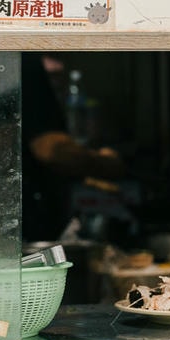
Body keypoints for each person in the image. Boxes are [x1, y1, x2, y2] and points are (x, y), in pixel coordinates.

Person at [20, 53, 126, 243]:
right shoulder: (26, 73)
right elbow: (50, 151)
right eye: (52, 74)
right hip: (27, 215)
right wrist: (102, 162)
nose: (58, 78)